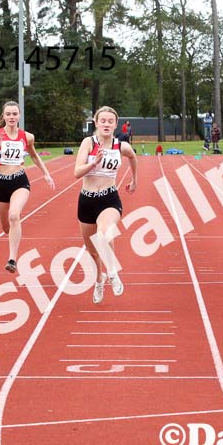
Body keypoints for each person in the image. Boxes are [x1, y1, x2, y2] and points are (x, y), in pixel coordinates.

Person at [0, 101, 55, 273]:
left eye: (15, 114)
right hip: (0, 183)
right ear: (4, 116)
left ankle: (12, 259)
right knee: (6, 228)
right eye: (9, 114)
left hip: (19, 181)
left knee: (14, 215)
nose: (12, 117)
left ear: (19, 116)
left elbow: (35, 156)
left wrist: (46, 173)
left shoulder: (27, 137)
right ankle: (10, 237)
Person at [74, 106, 138, 303]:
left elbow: (133, 157)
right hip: (86, 200)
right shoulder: (88, 142)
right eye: (103, 120)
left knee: (103, 232)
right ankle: (99, 280)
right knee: (92, 250)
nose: (107, 124)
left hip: (109, 198)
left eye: (111, 121)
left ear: (116, 124)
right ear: (96, 123)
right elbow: (77, 172)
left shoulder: (121, 146)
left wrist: (135, 180)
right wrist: (94, 163)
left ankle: (112, 272)